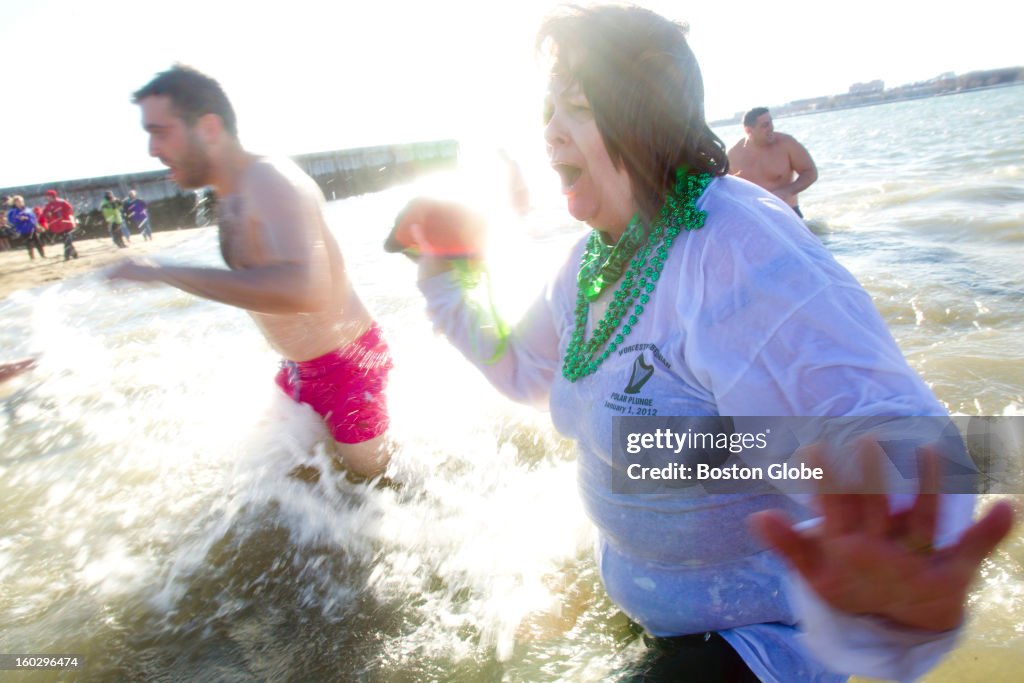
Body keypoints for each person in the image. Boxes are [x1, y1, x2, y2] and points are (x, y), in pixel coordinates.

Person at [388, 6, 1014, 682]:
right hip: (664, 617)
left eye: (576, 104)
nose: (549, 131)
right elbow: (526, 369)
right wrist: (445, 277)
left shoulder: (736, 247)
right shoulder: (587, 266)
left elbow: (896, 432)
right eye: (547, 107)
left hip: (759, 641)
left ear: (645, 114)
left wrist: (896, 562)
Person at [107, 65, 392, 478]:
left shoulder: (270, 178)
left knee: (380, 492)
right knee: (286, 489)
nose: (152, 149)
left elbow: (304, 290)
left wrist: (166, 272)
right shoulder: (232, 193)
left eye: (160, 131)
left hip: (349, 368)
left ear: (207, 127)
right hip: (298, 370)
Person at [727, 107, 817, 218]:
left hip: (788, 212)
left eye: (771, 123)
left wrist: (786, 191)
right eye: (765, 125)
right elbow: (727, 188)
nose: (771, 128)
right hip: (756, 216)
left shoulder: (786, 144)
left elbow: (810, 172)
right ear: (748, 130)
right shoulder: (734, 154)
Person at [41, 189, 80, 260]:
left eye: (49, 196)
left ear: (53, 196)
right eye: (47, 197)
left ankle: (66, 256)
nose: (48, 198)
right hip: (58, 227)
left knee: (67, 241)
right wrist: (48, 215)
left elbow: (70, 210)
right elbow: (44, 215)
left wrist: (67, 217)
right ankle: (74, 254)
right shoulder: (47, 206)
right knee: (66, 241)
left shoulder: (62, 202)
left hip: (67, 225)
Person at [6, 195, 46, 260]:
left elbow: (33, 218)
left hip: (32, 228)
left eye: (21, 201)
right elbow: (11, 220)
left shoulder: (28, 210)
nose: (20, 203)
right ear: (15, 203)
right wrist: (19, 219)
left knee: (38, 242)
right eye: (18, 202)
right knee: (29, 243)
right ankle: (32, 257)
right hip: (23, 229)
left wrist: (37, 226)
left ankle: (43, 255)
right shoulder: (13, 211)